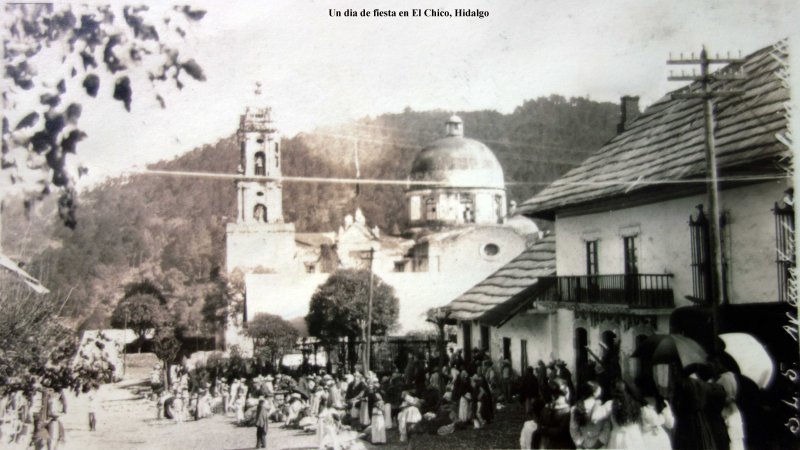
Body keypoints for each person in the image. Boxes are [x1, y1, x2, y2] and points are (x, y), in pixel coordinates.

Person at [591, 380, 644, 449]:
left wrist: (597, 403)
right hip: (634, 436)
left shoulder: (611, 404)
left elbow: (595, 417)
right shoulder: (635, 403)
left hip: (618, 438)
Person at [532, 378, 574, 449]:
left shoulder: (546, 407)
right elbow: (562, 430)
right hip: (562, 444)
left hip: (546, 443)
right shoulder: (567, 410)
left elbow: (540, 423)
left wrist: (544, 430)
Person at [569, 381, 610, 449]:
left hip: (583, 445)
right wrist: (597, 445)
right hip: (599, 445)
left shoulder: (575, 408)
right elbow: (606, 429)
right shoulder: (602, 407)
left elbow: (573, 429)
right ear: (595, 393)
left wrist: (580, 444)